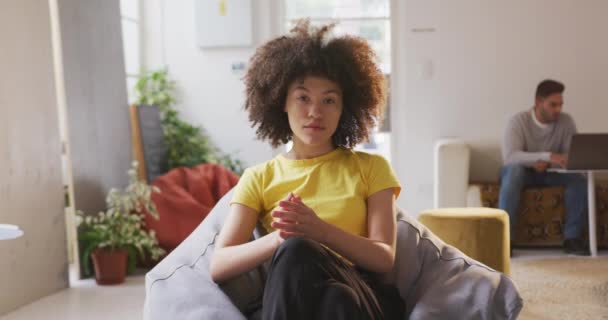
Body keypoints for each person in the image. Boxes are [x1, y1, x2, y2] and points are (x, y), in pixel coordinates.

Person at [209, 20, 404, 319]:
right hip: (305, 296)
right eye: (303, 98)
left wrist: (319, 232)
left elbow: (384, 258)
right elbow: (219, 264)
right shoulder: (259, 177)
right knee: (335, 298)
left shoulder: (371, 167)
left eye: (329, 100)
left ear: (344, 108)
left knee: (309, 258)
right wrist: (280, 238)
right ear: (281, 102)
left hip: (364, 293)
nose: (315, 111)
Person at [499, 79, 588, 255]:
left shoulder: (566, 122)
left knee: (578, 179)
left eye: (560, 105)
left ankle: (573, 239)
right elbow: (510, 157)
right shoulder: (518, 121)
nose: (558, 109)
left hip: (551, 171)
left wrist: (552, 161)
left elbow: (570, 157)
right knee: (514, 171)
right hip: (522, 172)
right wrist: (542, 157)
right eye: (553, 105)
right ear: (538, 102)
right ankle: (504, 240)